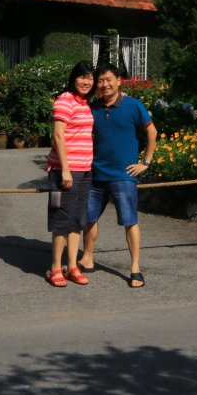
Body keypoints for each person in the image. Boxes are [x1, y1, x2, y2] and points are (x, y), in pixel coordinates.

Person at [79, 63, 157, 288]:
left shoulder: (133, 105)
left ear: (119, 80)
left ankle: (135, 268)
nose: (104, 85)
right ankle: (87, 257)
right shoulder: (93, 107)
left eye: (108, 80)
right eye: (100, 81)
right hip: (96, 173)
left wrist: (146, 163)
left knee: (130, 221)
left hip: (124, 175)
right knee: (88, 218)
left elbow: (151, 131)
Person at [44, 61, 96, 288]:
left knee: (77, 220)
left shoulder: (84, 103)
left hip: (85, 169)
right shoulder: (65, 100)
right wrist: (65, 169)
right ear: (73, 78)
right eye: (82, 77)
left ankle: (72, 265)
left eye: (90, 78)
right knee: (62, 221)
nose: (87, 82)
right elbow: (58, 135)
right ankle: (56, 267)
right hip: (65, 170)